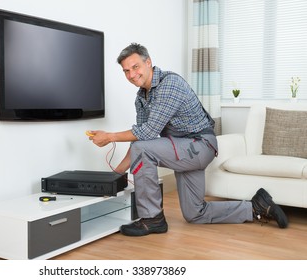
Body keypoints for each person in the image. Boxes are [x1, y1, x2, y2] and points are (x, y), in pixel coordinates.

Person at [87, 43, 288, 236]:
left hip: (200, 145)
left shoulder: (169, 84)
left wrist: (111, 137)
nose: (131, 74)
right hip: (182, 148)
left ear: (148, 62)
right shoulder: (141, 97)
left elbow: (146, 135)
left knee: (142, 147)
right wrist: (118, 173)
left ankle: (152, 219)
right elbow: (140, 137)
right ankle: (255, 207)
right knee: (195, 213)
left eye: (135, 67)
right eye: (126, 71)